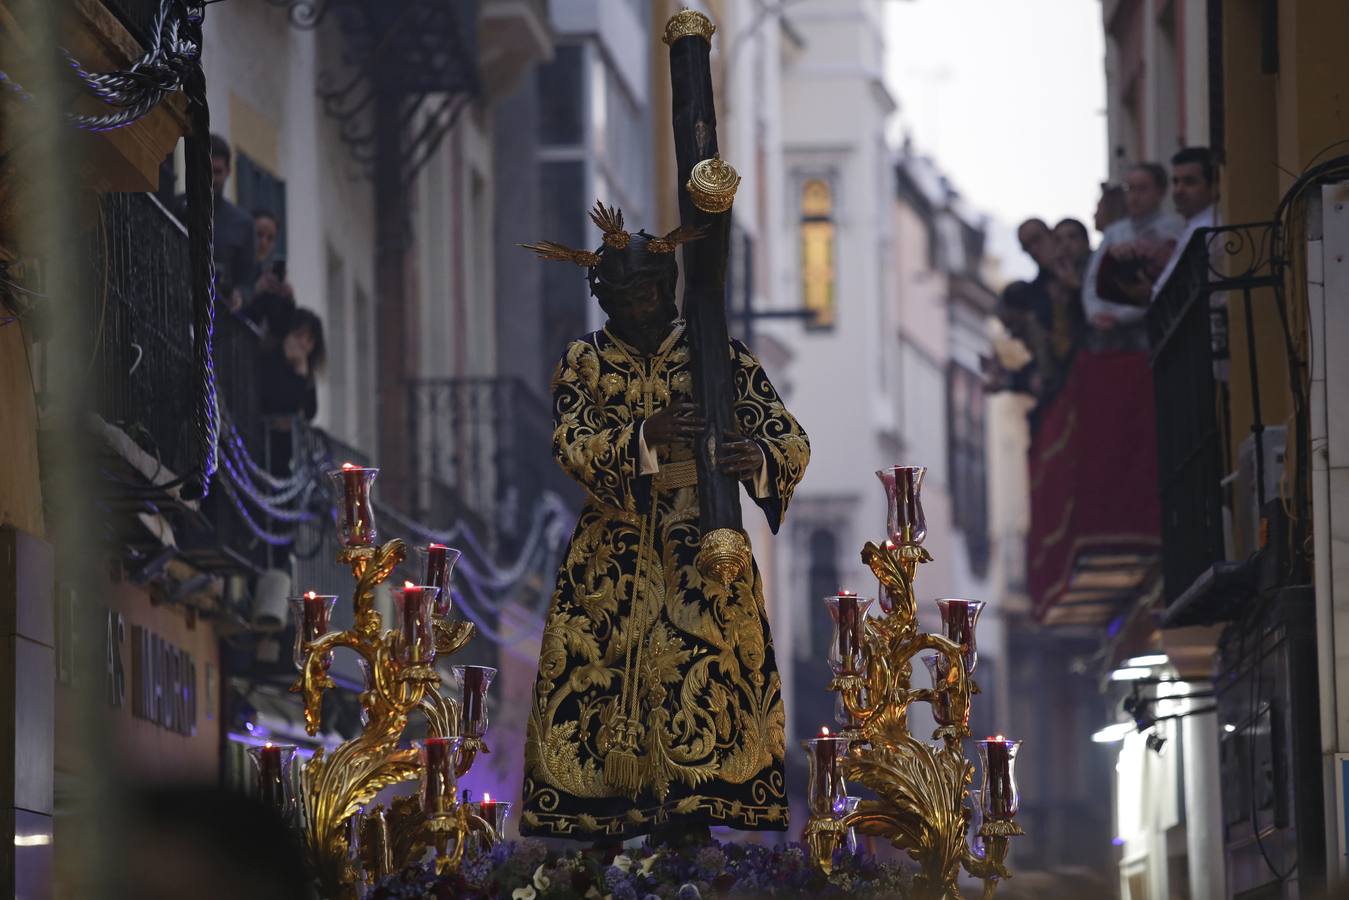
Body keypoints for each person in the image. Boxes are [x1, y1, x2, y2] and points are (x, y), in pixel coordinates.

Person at [518, 203, 810, 846]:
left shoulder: (717, 355)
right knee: (600, 698)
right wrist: (643, 436)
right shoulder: (584, 361)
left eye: (647, 293)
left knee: (704, 686)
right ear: (605, 299)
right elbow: (571, 442)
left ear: (668, 288)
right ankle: (604, 840)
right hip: (612, 553)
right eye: (622, 297)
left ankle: (692, 831)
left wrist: (755, 459)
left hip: (700, 548)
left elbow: (787, 437)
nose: (637, 308)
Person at [1081, 162, 1184, 348]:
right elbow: (1093, 279)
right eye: (1130, 189)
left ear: (1160, 192)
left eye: (1142, 189)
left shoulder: (1173, 229)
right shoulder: (1114, 232)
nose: (1134, 197)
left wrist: (1121, 315)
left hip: (1153, 328)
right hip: (1110, 335)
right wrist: (1095, 313)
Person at [181, 134, 258, 313]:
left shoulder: (244, 224)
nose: (211, 179)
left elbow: (247, 283)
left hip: (218, 321)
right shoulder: (177, 208)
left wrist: (239, 296)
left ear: (228, 172)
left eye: (216, 172)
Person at [259, 307, 324, 474]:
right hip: (266, 448)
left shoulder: (305, 368)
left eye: (310, 340)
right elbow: (280, 402)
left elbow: (310, 410)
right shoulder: (271, 361)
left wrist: (302, 374)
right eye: (299, 335)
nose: (304, 344)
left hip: (290, 451)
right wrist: (298, 376)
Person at [1150, 146, 1220, 299]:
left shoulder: (1205, 227)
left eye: (1189, 182)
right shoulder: (1196, 224)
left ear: (1214, 186)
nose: (1178, 190)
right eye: (1176, 182)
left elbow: (1168, 290)